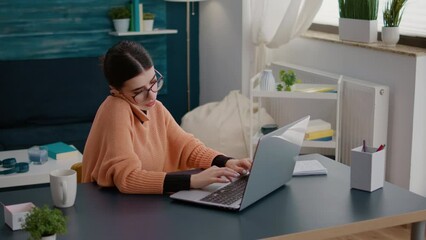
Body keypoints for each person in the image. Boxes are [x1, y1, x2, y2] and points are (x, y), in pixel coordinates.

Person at [82, 40, 252, 194]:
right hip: (107, 207)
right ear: (116, 90)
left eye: (153, 82)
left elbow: (186, 146)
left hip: (138, 204)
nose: (152, 96)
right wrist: (192, 181)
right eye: (138, 92)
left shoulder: (155, 108)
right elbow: (127, 178)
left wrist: (226, 161)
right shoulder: (116, 109)